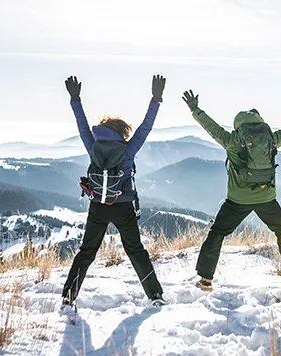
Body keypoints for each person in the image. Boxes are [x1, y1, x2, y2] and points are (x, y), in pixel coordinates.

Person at [180, 89, 281, 291]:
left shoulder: (233, 141)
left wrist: (195, 109)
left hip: (237, 200)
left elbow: (213, 128)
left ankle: (206, 279)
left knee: (217, 233)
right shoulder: (271, 139)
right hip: (266, 198)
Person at [61, 75, 167, 307]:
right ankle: (155, 296)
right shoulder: (127, 150)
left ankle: (68, 298)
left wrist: (75, 99)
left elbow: (81, 125)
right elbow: (146, 127)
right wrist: (156, 99)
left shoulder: (93, 147)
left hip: (98, 206)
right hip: (123, 207)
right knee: (136, 251)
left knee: (86, 252)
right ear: (121, 132)